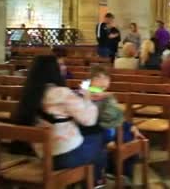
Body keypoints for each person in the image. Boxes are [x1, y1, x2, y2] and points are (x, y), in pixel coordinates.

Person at [14, 55, 105, 186]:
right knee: (100, 141)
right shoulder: (61, 93)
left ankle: (83, 182)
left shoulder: (30, 92)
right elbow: (89, 120)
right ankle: (95, 183)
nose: (64, 68)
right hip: (63, 156)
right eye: (60, 65)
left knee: (91, 137)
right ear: (52, 70)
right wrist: (87, 98)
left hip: (42, 153)